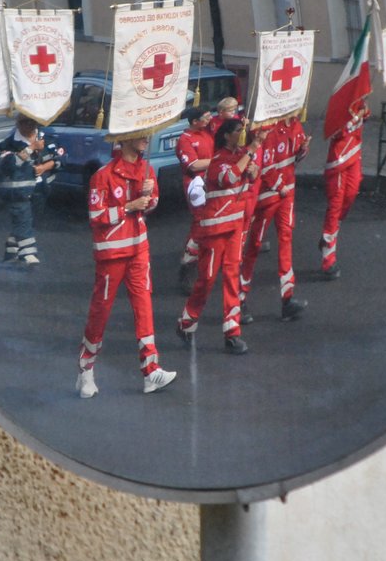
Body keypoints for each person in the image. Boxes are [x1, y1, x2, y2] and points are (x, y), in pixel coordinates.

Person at [78, 134, 176, 398]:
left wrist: (149, 198)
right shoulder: (103, 175)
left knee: (144, 306)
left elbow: (151, 204)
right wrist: (129, 206)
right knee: (101, 312)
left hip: (139, 251)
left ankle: (150, 370)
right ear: (125, 138)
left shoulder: (146, 169)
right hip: (111, 255)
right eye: (140, 135)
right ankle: (86, 370)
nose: (146, 138)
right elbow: (96, 216)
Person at [177, 117, 264, 355]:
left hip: (234, 227)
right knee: (206, 279)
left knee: (232, 277)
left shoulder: (240, 157)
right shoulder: (217, 161)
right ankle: (186, 321)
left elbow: (247, 179)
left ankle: (232, 333)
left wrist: (253, 169)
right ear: (226, 135)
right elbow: (229, 178)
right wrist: (251, 153)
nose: (243, 133)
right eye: (238, 130)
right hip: (215, 229)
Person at [240, 115, 308, 321]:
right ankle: (239, 298)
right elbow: (265, 166)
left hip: (287, 192)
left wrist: (303, 149)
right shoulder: (269, 129)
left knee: (286, 238)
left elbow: (294, 158)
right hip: (269, 195)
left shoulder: (296, 126)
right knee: (255, 244)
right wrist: (279, 186)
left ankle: (287, 298)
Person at [0, 117, 57, 265]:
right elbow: (9, 165)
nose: (29, 126)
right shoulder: (8, 143)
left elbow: (61, 159)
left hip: (40, 189)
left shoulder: (46, 139)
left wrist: (44, 167)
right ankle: (28, 253)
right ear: (18, 123)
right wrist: (31, 148)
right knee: (22, 218)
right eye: (24, 122)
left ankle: (11, 252)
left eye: (32, 122)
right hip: (17, 191)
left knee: (28, 221)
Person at [320, 98, 369, 279]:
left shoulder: (359, 101)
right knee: (336, 204)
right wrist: (356, 117)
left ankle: (331, 233)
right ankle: (328, 254)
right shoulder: (337, 104)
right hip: (338, 161)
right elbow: (335, 131)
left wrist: (362, 112)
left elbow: (366, 114)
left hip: (354, 155)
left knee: (351, 194)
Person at [173, 105, 214, 293]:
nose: (208, 120)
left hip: (211, 182)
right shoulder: (185, 140)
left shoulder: (207, 134)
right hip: (195, 185)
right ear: (194, 122)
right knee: (199, 224)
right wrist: (217, 161)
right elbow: (193, 165)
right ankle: (187, 265)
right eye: (204, 118)